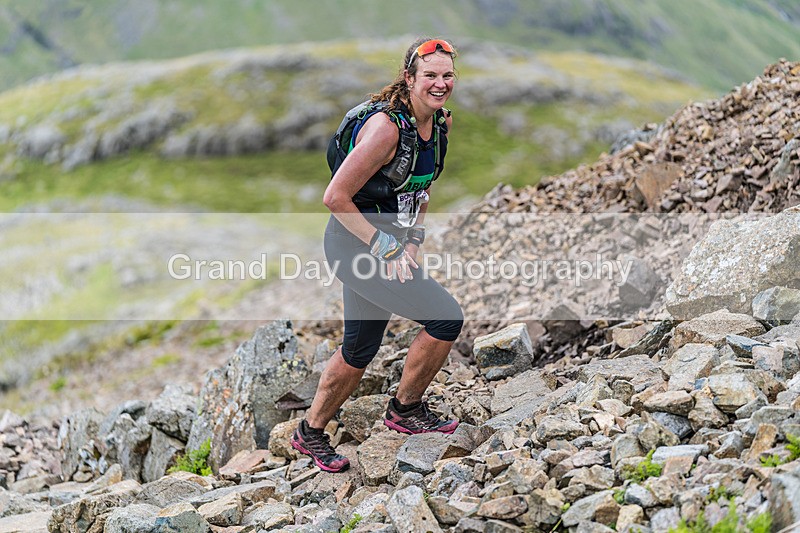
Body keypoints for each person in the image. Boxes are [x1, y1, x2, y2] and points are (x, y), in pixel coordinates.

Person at [290, 38, 464, 472]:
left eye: (447, 75)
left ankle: (310, 433)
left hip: (385, 245)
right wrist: (386, 246)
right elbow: (335, 196)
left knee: (360, 347)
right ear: (409, 79)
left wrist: (413, 240)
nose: (440, 84)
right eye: (430, 76)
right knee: (446, 318)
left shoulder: (436, 124)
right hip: (356, 245)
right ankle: (404, 410)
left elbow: (419, 189)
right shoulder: (387, 129)